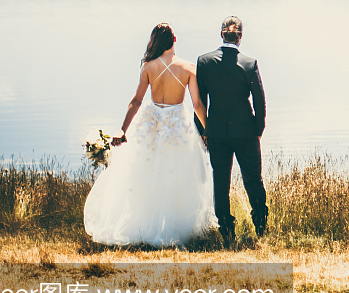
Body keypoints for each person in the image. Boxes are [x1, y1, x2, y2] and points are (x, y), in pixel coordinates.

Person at [83, 23, 217, 245]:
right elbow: (198, 105)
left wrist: (122, 129)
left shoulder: (148, 67)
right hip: (177, 125)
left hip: (150, 124)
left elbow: (136, 101)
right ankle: (173, 225)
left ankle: (141, 224)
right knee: (177, 175)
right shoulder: (189, 68)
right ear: (174, 40)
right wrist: (208, 131)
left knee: (144, 174)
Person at [196, 15, 268, 244]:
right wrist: (259, 128)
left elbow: (200, 101)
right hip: (246, 131)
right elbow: (259, 100)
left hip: (216, 131)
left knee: (220, 181)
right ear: (240, 36)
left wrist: (203, 130)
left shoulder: (204, 62)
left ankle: (226, 229)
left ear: (221, 34)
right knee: (253, 180)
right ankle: (260, 225)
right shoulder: (249, 63)